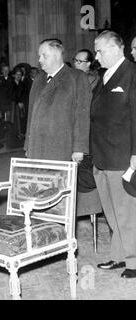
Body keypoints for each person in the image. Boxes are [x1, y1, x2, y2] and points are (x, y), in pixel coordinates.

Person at [92, 31, 136, 278]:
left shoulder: (132, 73)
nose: (97, 57)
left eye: (100, 51)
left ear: (118, 48)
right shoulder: (104, 75)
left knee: (127, 212)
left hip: (121, 155)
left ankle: (134, 261)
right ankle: (119, 256)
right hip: (102, 154)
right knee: (111, 211)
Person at [25, 39, 91, 162]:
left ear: (57, 55)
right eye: (39, 56)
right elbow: (31, 115)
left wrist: (79, 148)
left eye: (44, 56)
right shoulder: (38, 79)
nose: (40, 60)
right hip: (37, 146)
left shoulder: (76, 77)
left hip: (61, 147)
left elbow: (82, 115)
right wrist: (28, 144)